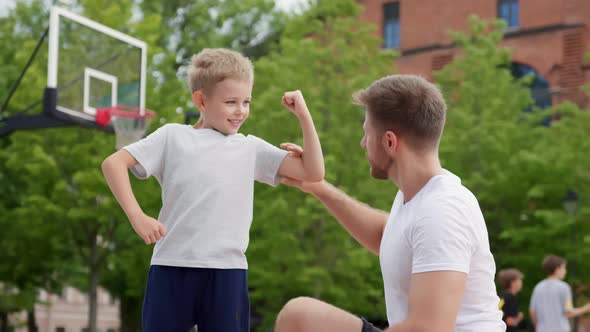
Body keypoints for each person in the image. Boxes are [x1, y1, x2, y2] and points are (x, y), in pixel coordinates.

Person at [101, 48, 324, 332]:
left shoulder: (250, 147)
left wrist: (303, 116)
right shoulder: (173, 136)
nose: (241, 110)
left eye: (246, 101)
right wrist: (137, 216)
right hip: (172, 266)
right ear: (201, 101)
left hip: (227, 272)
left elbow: (314, 173)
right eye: (231, 102)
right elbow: (113, 164)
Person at [274, 74, 505, 332]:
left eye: (366, 134)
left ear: (390, 142)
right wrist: (319, 188)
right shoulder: (417, 197)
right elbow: (389, 236)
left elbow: (428, 329)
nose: (363, 143)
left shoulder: (442, 211)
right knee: (299, 317)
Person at [529, 255, 590, 332]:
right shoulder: (564, 287)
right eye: (564, 268)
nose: (565, 271)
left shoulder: (538, 287)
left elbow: (532, 311)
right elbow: (568, 312)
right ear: (557, 269)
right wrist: (585, 309)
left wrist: (538, 327)